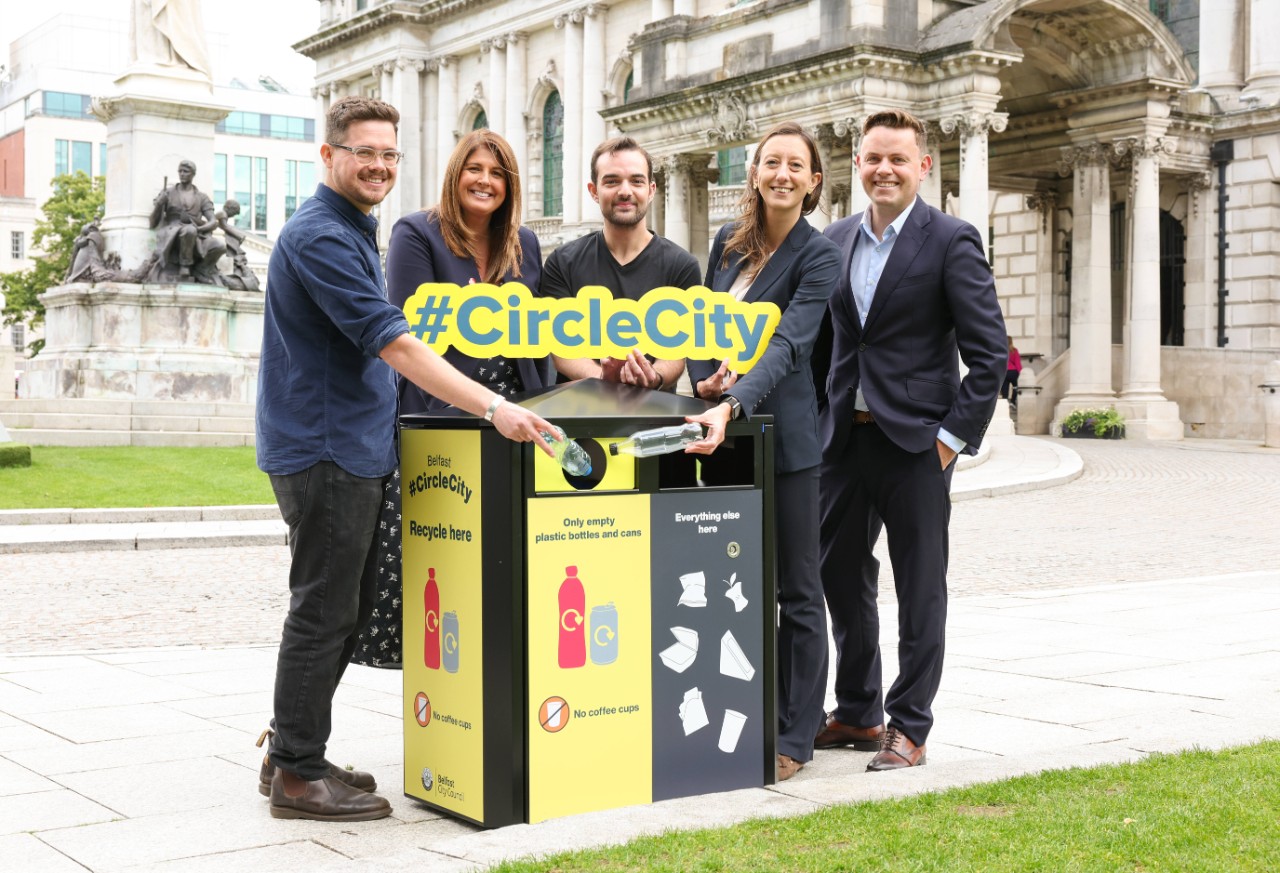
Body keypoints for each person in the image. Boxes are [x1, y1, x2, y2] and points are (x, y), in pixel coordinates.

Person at [255, 96, 555, 822]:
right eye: (365, 153)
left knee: (338, 607)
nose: (381, 166)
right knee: (325, 608)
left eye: (390, 154)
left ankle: (294, 750)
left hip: (345, 443)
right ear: (328, 156)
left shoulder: (351, 227)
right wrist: (492, 404)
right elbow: (395, 340)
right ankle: (296, 771)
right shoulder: (323, 237)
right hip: (326, 445)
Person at [814, 109, 1006, 771]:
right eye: (873, 158)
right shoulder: (832, 240)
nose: (884, 169)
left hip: (917, 445)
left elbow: (989, 356)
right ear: (857, 164)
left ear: (923, 166)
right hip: (844, 442)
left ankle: (911, 725)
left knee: (919, 585)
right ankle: (860, 711)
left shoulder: (951, 239)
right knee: (838, 574)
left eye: (898, 159)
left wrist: (951, 440)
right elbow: (827, 344)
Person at [351, 130, 546, 668]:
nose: (486, 181)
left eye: (497, 173)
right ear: (455, 174)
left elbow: (544, 333)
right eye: (475, 169)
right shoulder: (417, 233)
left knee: (508, 560)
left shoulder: (525, 243)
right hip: (442, 417)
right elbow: (409, 338)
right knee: (442, 558)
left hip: (515, 417)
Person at [683, 121, 841, 781]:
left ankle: (796, 735)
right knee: (734, 587)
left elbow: (789, 343)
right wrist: (703, 377)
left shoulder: (819, 254)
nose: (780, 174)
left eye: (793, 165)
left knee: (797, 589)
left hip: (786, 439)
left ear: (813, 181)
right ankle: (741, 710)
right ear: (753, 173)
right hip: (722, 430)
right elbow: (702, 321)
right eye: (769, 162)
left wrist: (734, 399)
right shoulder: (727, 241)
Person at [541, 135, 701, 392]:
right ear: (594, 192)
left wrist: (654, 376)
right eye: (612, 181)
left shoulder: (682, 266)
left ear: (651, 190)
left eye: (636, 181)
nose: (625, 191)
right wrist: (603, 378)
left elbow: (675, 355)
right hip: (578, 419)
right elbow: (561, 352)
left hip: (652, 419)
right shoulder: (562, 262)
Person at [148, 160, 226, 284]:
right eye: (180, 171)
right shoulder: (168, 193)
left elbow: (212, 221)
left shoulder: (202, 197)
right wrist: (159, 204)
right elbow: (152, 223)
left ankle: (201, 270)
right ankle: (185, 267)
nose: (182, 174)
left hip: (196, 233)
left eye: (186, 171)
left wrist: (199, 229)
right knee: (189, 230)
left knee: (220, 246)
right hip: (172, 231)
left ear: (193, 174)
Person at [1002, 335, 1022, 407]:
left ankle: (1005, 405)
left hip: (1004, 372)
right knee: (1016, 387)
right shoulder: (1014, 350)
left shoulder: (1001, 351)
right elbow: (1017, 363)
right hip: (1013, 372)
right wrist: (1020, 373)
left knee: (1004, 389)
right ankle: (1013, 401)